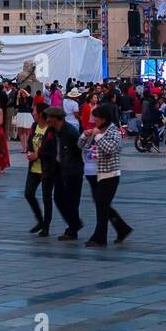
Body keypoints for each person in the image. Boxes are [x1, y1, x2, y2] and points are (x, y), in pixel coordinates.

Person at [81, 103, 131, 247]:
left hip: (110, 174)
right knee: (102, 205)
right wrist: (85, 135)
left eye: (96, 117)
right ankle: (122, 229)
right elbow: (81, 146)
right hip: (94, 172)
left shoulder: (113, 131)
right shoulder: (96, 130)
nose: (94, 119)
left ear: (103, 119)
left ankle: (100, 237)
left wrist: (97, 137)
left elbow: (111, 148)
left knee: (102, 206)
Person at [46, 106, 85, 239]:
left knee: (72, 201)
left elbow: (81, 150)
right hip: (59, 169)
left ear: (57, 119)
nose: (47, 120)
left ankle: (73, 229)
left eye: (50, 118)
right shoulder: (53, 130)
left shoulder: (70, 132)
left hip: (72, 171)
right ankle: (74, 224)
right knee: (58, 198)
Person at [24, 103, 56, 235]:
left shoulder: (51, 129)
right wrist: (30, 153)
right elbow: (30, 142)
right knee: (29, 193)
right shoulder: (34, 126)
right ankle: (40, 220)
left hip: (47, 168)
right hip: (34, 167)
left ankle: (46, 227)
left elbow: (53, 150)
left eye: (34, 110)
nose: (33, 112)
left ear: (41, 113)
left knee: (46, 197)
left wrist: (38, 154)